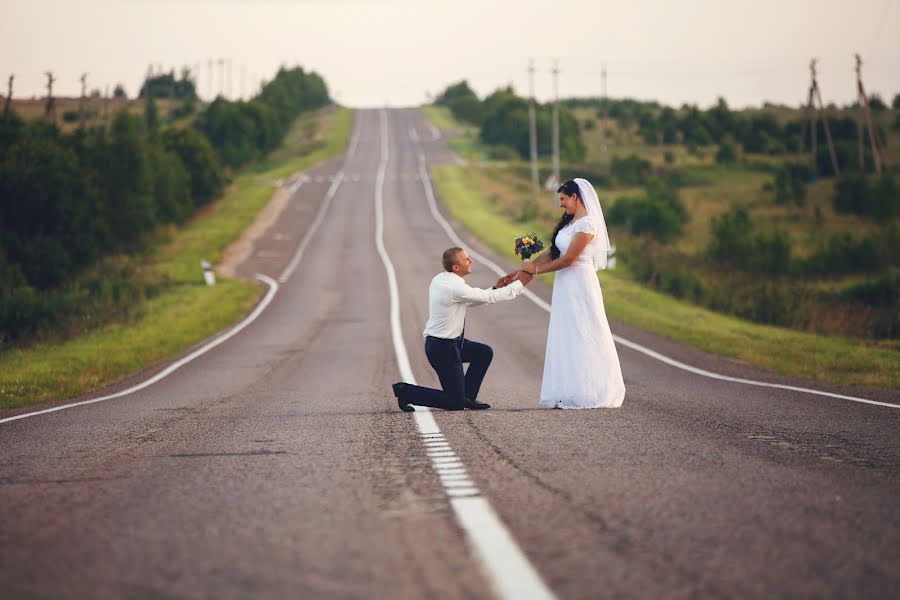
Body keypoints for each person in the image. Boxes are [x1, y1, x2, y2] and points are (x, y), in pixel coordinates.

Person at [521, 178, 626, 409]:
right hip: (564, 286)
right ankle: (568, 390)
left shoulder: (587, 225)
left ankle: (593, 391)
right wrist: (524, 272)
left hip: (580, 284)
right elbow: (553, 253)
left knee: (586, 331)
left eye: (563, 199)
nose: (561, 204)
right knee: (566, 333)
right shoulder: (569, 224)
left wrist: (537, 270)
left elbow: (569, 259)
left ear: (575, 197)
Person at [392, 247, 532, 411]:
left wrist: (496, 287)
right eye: (466, 259)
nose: (470, 261)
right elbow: (488, 298)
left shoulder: (443, 279)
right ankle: (406, 391)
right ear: (456, 268)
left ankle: (467, 397)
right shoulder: (453, 286)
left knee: (483, 353)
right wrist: (520, 283)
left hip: (451, 344)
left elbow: (471, 299)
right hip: (443, 349)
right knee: (454, 403)